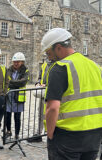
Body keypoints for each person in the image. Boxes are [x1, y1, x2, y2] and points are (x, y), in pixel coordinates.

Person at [42, 28, 102, 160]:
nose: (48, 57)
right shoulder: (96, 67)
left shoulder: (60, 68)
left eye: (48, 53)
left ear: (58, 47)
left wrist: (50, 135)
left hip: (67, 137)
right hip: (94, 135)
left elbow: (52, 108)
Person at [5, 52, 29, 140]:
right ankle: (8, 131)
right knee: (7, 115)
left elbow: (23, 81)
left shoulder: (25, 71)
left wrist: (12, 83)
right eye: (14, 62)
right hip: (9, 96)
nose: (15, 63)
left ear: (22, 62)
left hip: (18, 97)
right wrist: (15, 84)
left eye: (18, 62)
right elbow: (7, 81)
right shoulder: (9, 70)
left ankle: (17, 134)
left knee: (17, 117)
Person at [27, 58, 52, 143]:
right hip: (42, 93)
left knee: (51, 114)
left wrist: (48, 84)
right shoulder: (45, 63)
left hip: (52, 94)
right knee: (40, 113)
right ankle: (39, 133)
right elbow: (40, 76)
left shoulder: (58, 63)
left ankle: (51, 134)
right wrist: (38, 82)